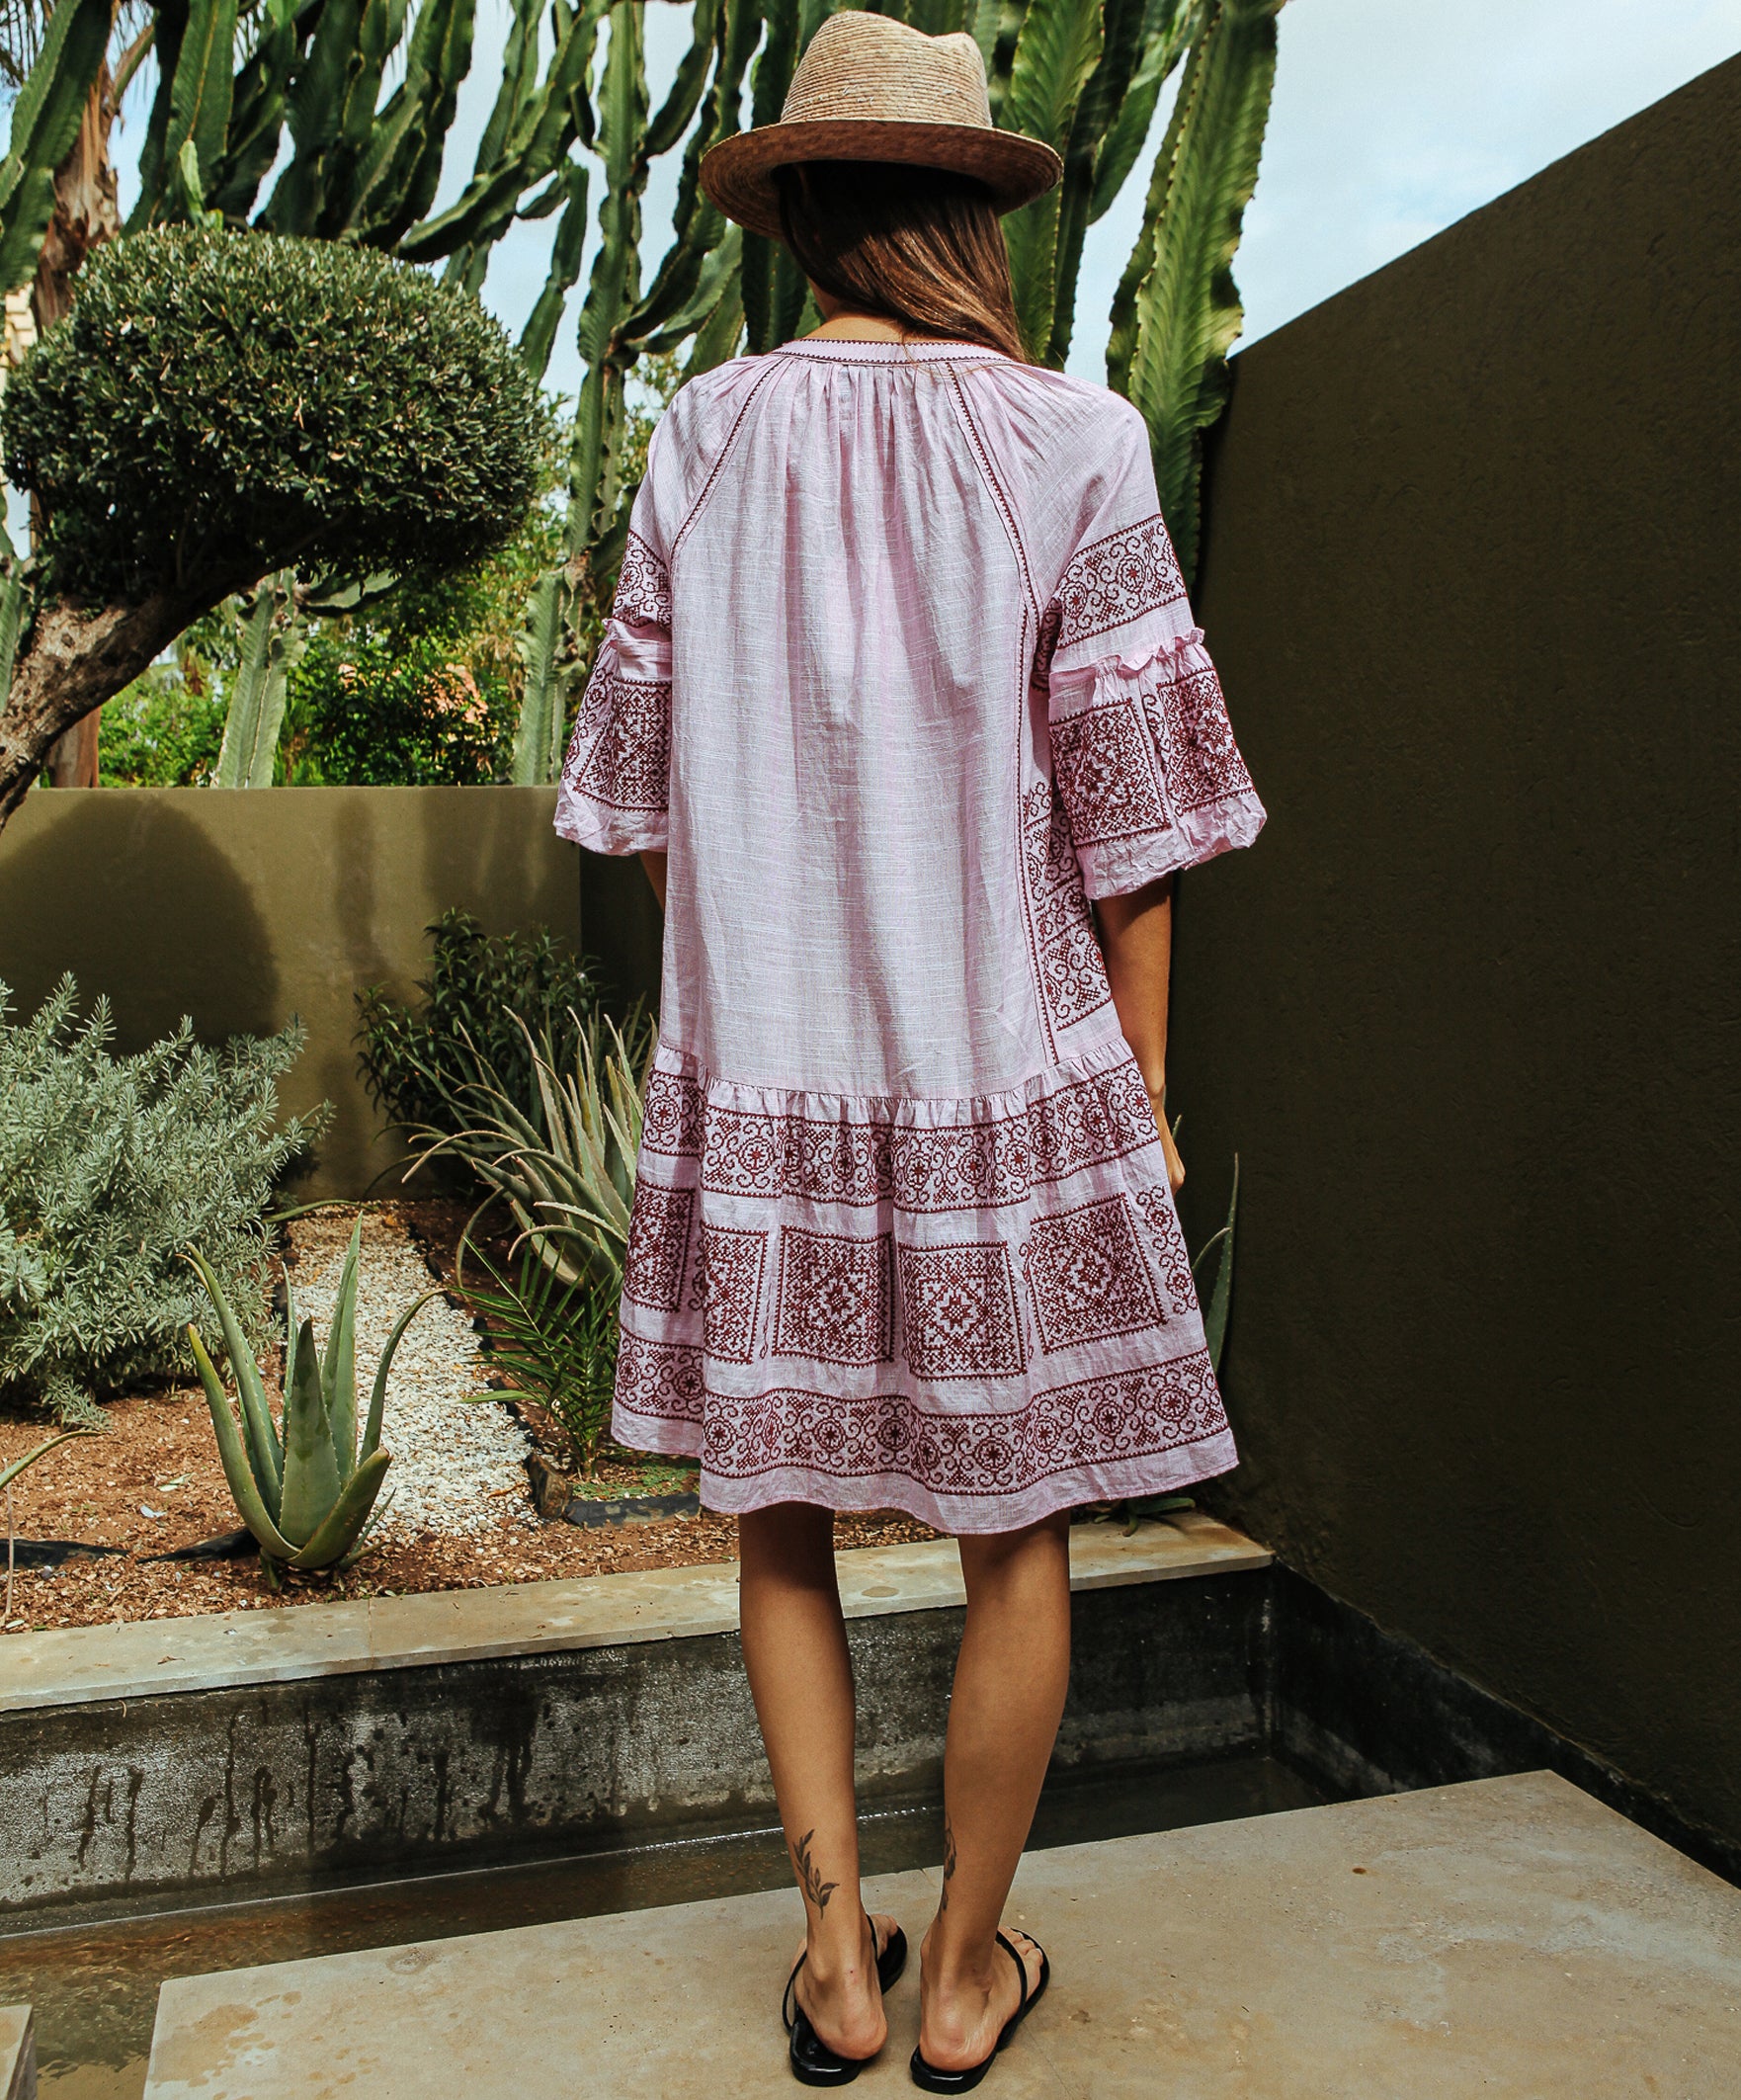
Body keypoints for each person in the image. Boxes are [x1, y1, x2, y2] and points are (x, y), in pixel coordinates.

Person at [555, 13, 1265, 2087]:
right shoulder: (1075, 441)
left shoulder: (702, 429)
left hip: (760, 1067)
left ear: (802, 212)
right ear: (964, 208)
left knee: (771, 1515)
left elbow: (631, 789)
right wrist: (1138, 1098)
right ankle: (964, 1970)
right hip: (1001, 1071)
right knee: (1015, 1527)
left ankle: (831, 1965)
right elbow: (1138, 826)